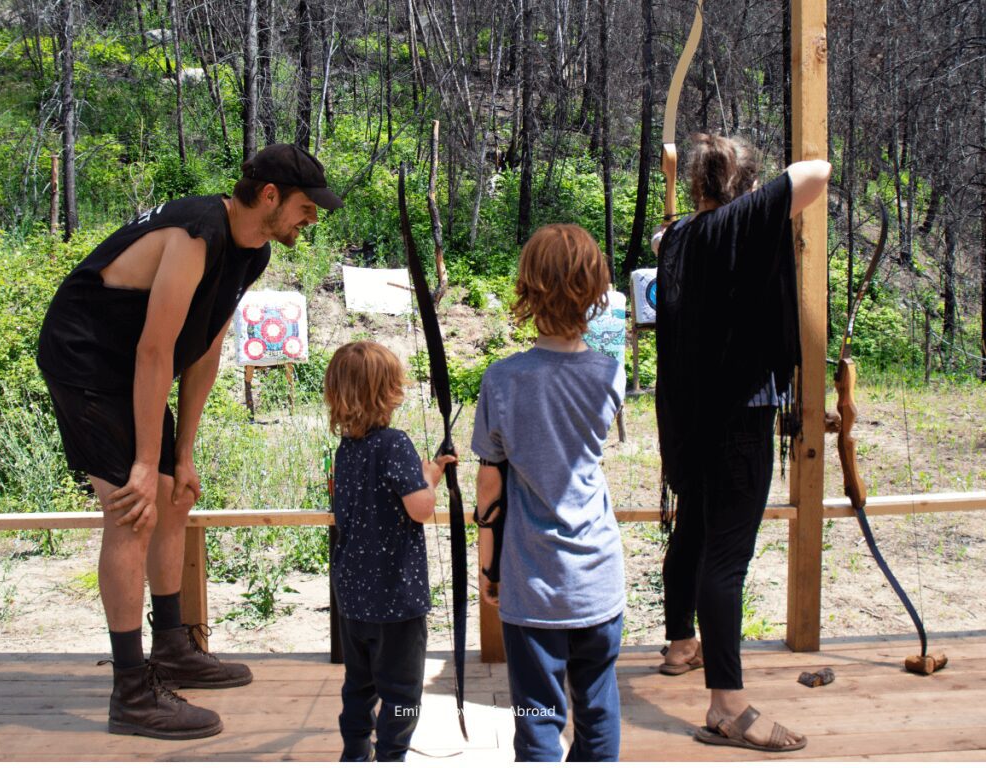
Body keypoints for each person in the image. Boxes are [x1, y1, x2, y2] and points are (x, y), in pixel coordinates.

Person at [36, 144, 344, 739]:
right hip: (86, 359)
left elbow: (201, 349)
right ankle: (131, 691)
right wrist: (144, 465)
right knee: (134, 509)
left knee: (175, 494)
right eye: (308, 207)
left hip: (130, 366)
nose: (313, 219)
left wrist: (180, 455)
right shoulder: (198, 232)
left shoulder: (251, 253)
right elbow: (155, 349)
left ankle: (173, 646)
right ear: (271, 196)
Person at [654, 133, 831, 753]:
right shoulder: (740, 225)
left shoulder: (676, 240)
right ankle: (727, 706)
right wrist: (751, 196)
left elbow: (667, 230)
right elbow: (818, 170)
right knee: (725, 559)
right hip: (737, 422)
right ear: (744, 190)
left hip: (692, 425)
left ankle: (682, 645)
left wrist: (699, 182)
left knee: (697, 535)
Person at [471, 223, 626, 762]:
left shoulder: (503, 379)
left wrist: (489, 570)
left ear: (528, 289)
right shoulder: (609, 374)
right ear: (597, 290)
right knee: (599, 710)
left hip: (532, 583)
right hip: (599, 580)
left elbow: (490, 485)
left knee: (538, 718)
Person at [323, 340, 454, 762]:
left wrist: (428, 470)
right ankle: (392, 755)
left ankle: (356, 753)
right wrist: (430, 481)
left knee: (359, 685)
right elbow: (419, 508)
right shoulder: (394, 443)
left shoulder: (347, 450)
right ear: (389, 392)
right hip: (396, 598)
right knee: (401, 690)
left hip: (354, 597)